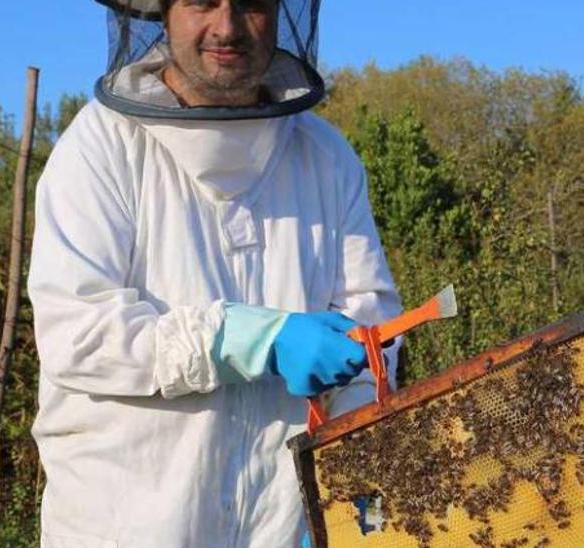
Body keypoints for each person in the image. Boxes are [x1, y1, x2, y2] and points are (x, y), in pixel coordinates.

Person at [27, 0, 401, 546]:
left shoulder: (325, 157)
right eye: (202, 1)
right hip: (127, 527)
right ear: (163, 11)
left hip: (284, 523)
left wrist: (353, 480)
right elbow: (78, 334)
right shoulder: (100, 149)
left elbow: (374, 334)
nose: (226, 27)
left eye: (250, 4)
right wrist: (243, 338)